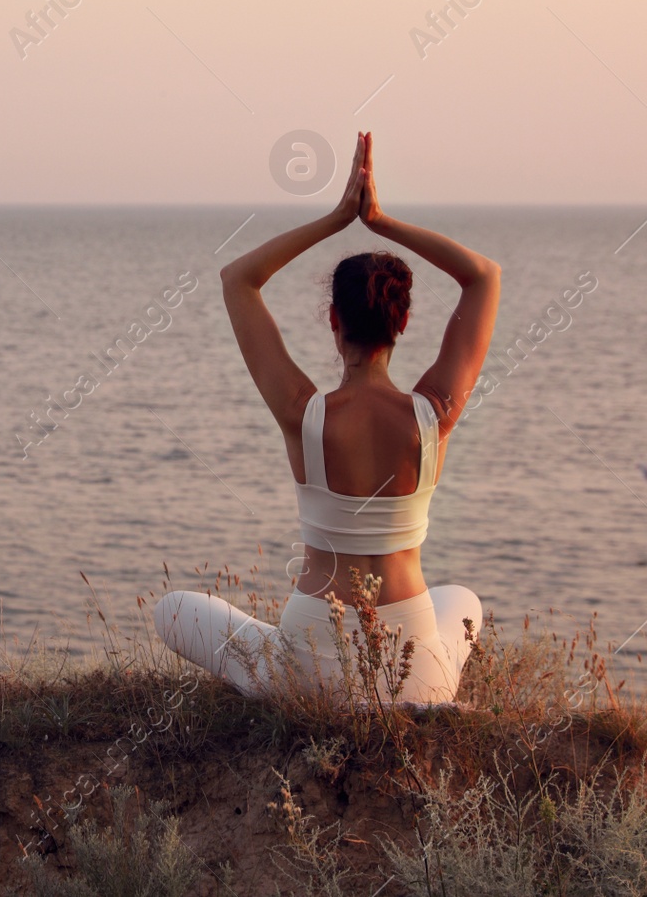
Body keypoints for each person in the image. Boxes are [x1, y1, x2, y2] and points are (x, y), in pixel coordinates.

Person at [154, 132, 500, 706]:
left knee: (174, 611)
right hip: (417, 676)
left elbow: (238, 278)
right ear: (404, 323)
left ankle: (279, 680)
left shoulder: (302, 414)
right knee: (461, 599)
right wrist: (382, 221)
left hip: (311, 671)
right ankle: (428, 694)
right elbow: (483, 276)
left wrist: (339, 218)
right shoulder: (434, 415)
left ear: (333, 319)